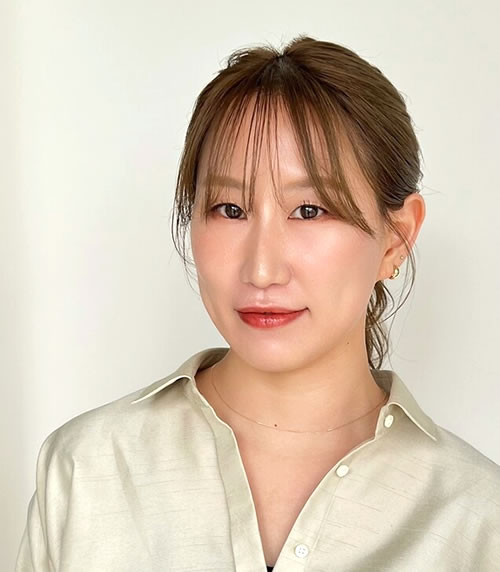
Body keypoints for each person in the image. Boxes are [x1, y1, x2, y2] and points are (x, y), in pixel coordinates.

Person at [16, 35, 500, 571]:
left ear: (396, 238)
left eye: (310, 210)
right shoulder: (87, 470)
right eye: (229, 209)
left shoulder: (478, 519)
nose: (262, 270)